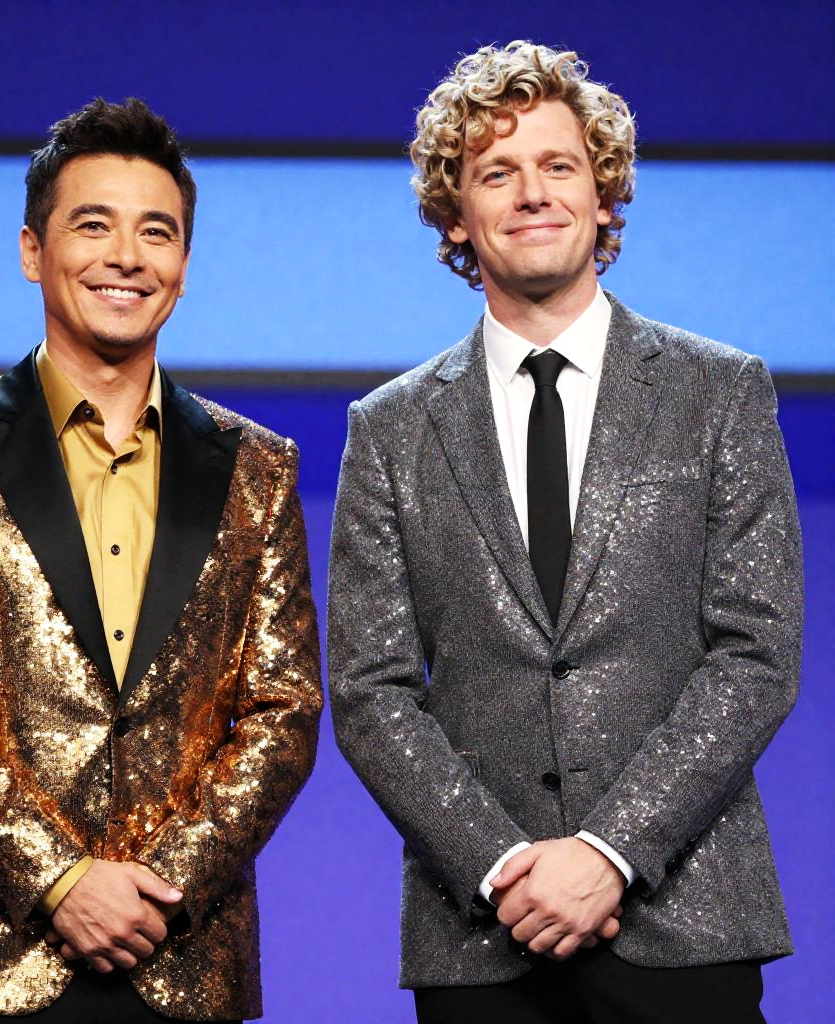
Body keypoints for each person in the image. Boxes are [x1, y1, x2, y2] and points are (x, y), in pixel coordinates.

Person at [328, 41, 802, 1023]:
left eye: (558, 165)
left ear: (603, 193)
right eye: (497, 172)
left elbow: (757, 654)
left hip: (686, 925)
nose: (533, 193)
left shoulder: (720, 392)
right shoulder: (390, 429)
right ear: (456, 214)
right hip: (482, 939)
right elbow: (369, 690)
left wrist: (611, 851)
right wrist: (500, 865)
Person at [0, 97, 322, 1023]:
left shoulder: (257, 467)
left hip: (183, 955)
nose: (127, 257)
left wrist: (162, 884)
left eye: (157, 232)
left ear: (183, 267)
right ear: (33, 251)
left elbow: (285, 709)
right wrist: (59, 879)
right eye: (93, 225)